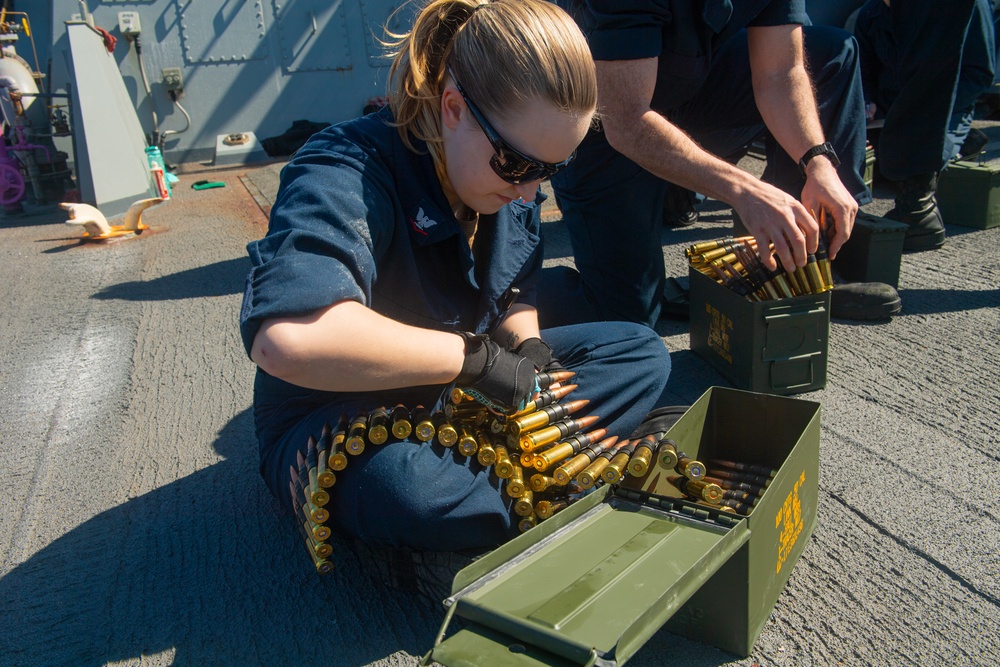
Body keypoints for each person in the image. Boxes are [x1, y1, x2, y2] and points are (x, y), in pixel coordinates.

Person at [238, 0, 671, 574]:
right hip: (340, 407)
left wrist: (526, 345)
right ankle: (559, 472)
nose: (529, 192)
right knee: (413, 492)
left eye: (551, 171)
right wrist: (473, 360)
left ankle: (523, 472)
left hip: (460, 396)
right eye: (519, 167)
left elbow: (515, 290)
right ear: (452, 109)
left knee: (640, 351)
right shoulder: (345, 169)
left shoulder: (503, 165)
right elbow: (289, 340)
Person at [544, 0, 900, 327]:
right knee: (627, 323)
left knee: (830, 52)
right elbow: (625, 122)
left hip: (683, 89)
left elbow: (781, 73)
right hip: (596, 124)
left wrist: (818, 160)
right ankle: (502, 293)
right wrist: (745, 190)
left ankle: (790, 266)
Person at [852, 0, 996, 250]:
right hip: (892, 110)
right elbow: (864, 71)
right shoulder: (870, 14)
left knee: (930, 152)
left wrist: (935, 109)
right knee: (876, 155)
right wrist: (868, 101)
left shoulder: (972, 7)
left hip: (946, 108)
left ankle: (921, 204)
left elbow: (978, 74)